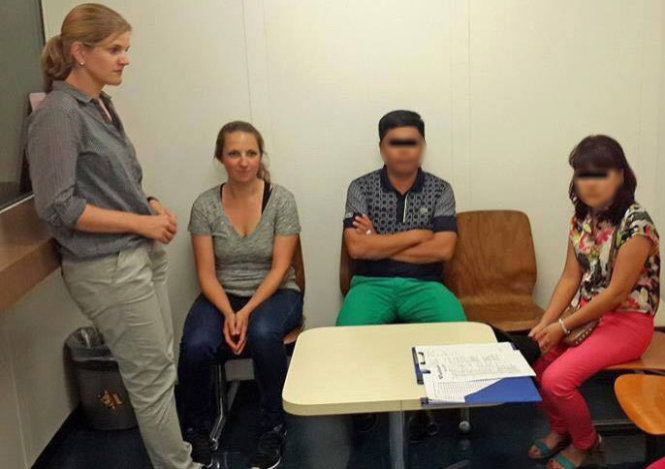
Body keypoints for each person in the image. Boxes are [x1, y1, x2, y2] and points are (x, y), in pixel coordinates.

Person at [26, 4, 201, 468]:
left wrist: (149, 205)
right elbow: (57, 206)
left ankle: (178, 459)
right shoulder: (58, 115)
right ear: (79, 52)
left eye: (126, 48)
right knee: (151, 378)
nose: (125, 58)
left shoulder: (101, 104)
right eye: (115, 49)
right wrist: (140, 223)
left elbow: (112, 183)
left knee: (159, 368)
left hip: (138, 253)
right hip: (107, 265)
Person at [528, 135, 660, 469]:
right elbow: (569, 278)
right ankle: (562, 430)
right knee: (537, 367)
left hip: (628, 321)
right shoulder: (582, 219)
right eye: (582, 175)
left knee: (557, 380)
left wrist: (562, 326)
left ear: (620, 176)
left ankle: (587, 444)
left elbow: (616, 294)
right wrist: (545, 324)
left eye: (601, 174)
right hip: (587, 316)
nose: (590, 183)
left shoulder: (637, 224)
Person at [177, 121, 303, 469]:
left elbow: (280, 268)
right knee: (196, 343)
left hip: (276, 292)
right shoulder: (205, 205)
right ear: (221, 158)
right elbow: (206, 273)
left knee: (263, 333)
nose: (244, 161)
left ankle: (273, 427)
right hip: (222, 294)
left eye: (251, 153)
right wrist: (229, 312)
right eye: (234, 153)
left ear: (261, 156)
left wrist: (245, 313)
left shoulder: (281, 200)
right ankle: (195, 430)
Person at [336, 110, 465, 327]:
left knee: (459, 332)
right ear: (381, 149)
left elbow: (443, 250)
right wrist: (416, 235)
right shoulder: (360, 188)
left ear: (422, 147)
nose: (404, 151)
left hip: (425, 285)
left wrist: (377, 244)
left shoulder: (441, 190)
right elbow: (357, 248)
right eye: (395, 143)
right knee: (344, 338)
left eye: (411, 143)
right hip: (370, 285)